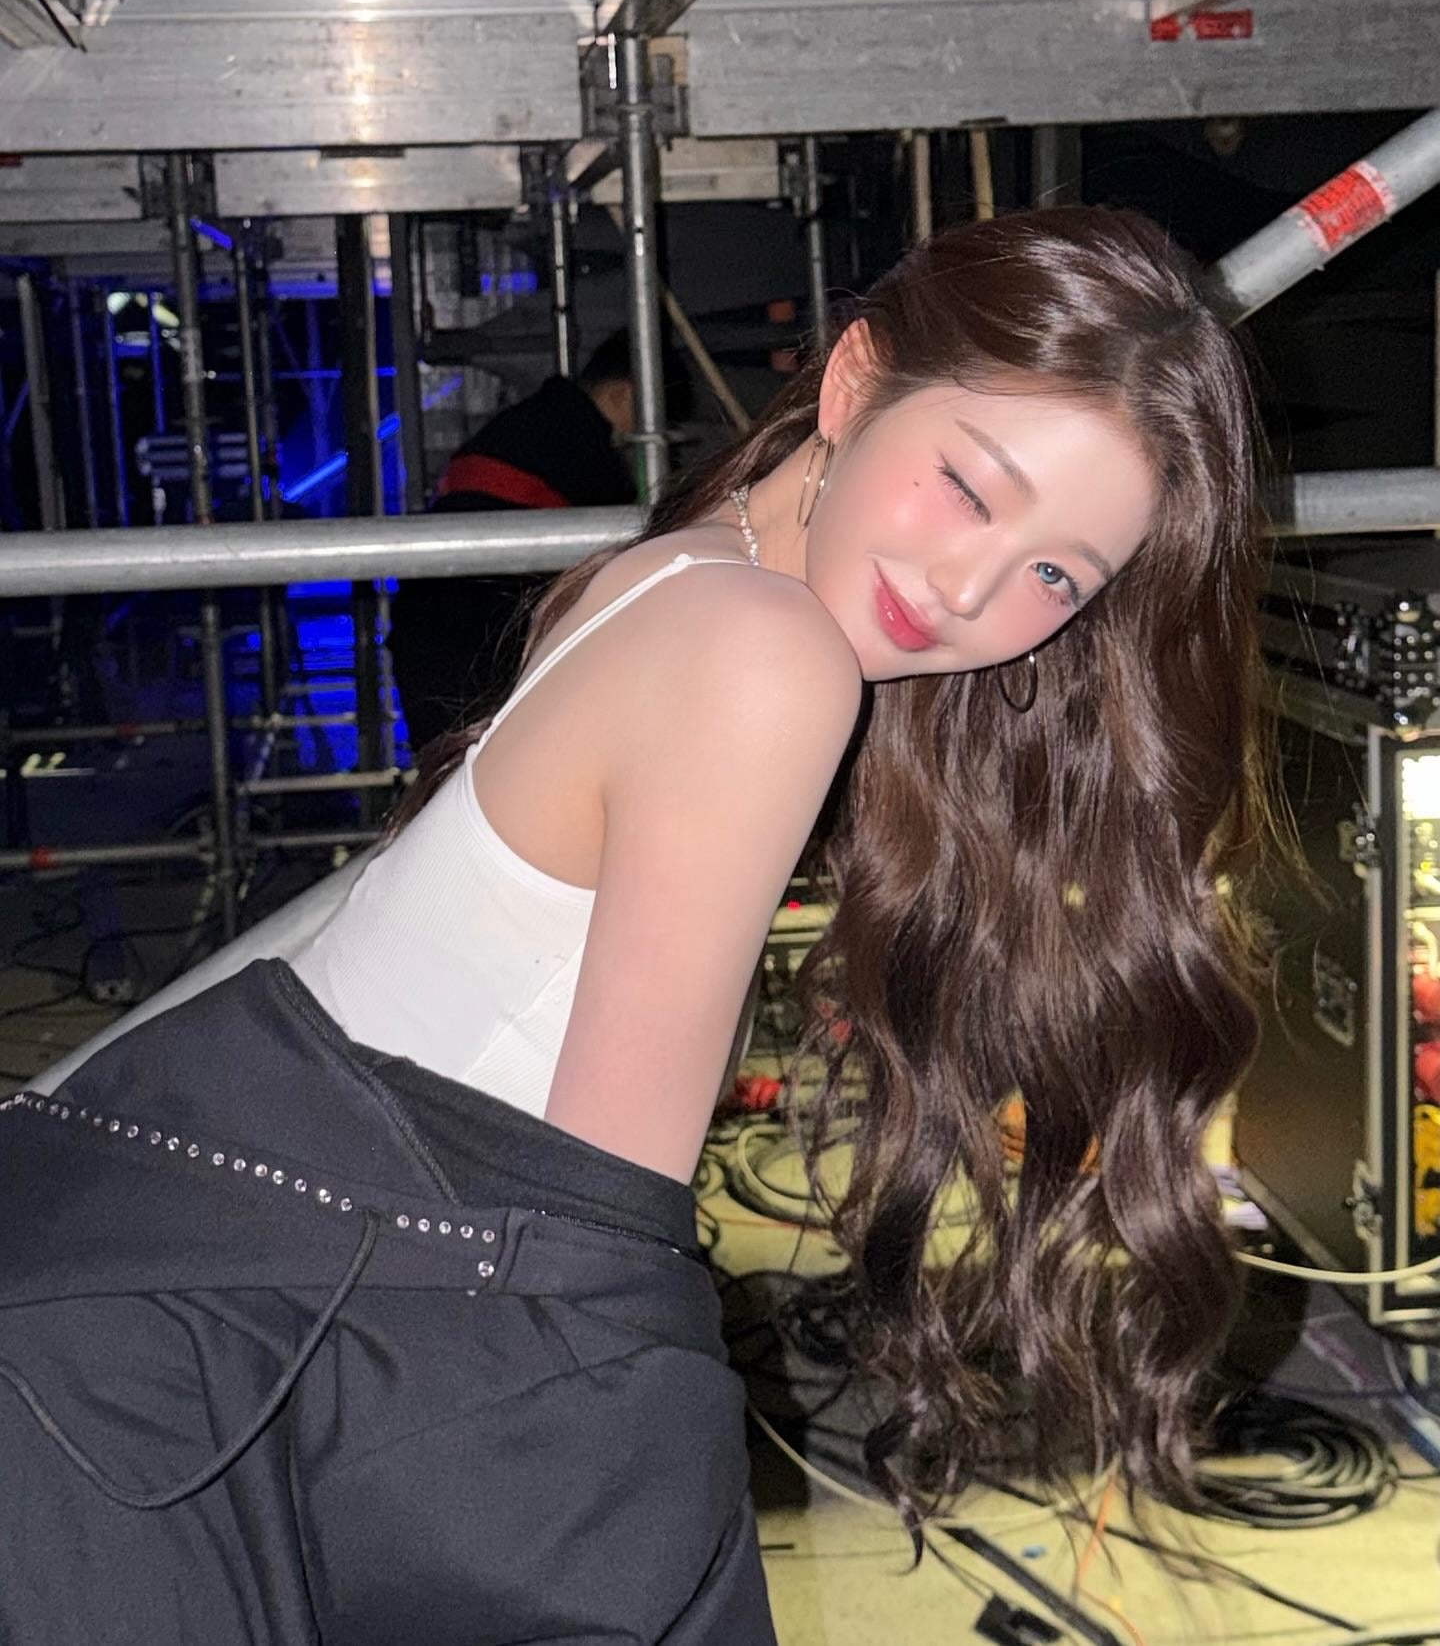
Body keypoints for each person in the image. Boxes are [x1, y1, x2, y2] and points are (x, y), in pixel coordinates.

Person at [0, 206, 1279, 1643]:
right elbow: (596, 1276)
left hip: (168, 1287)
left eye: (1057, 575)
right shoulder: (765, 651)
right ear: (855, 379)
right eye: (968, 488)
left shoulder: (691, 568)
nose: (970, 591)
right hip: (166, 1397)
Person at [388, 329, 691, 753]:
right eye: (655, 419)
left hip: (444, 628)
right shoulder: (584, 449)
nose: (649, 440)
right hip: (475, 637)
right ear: (624, 395)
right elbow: (639, 544)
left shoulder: (542, 422)